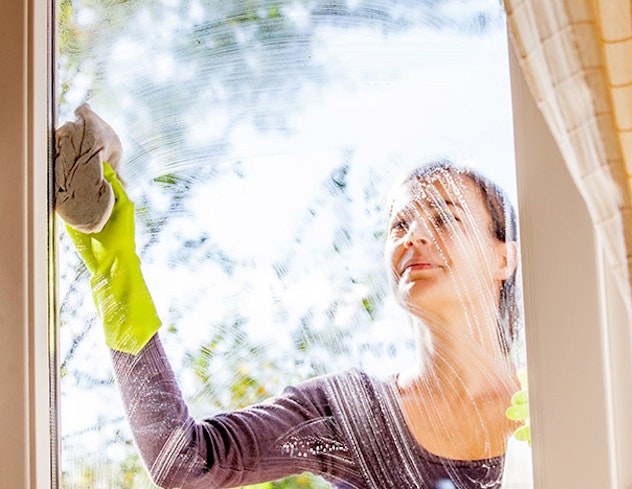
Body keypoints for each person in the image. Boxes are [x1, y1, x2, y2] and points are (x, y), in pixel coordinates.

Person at [64, 158, 523, 489]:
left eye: (445, 217)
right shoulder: (351, 414)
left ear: (504, 257)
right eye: (399, 223)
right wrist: (114, 269)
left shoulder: (555, 405)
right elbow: (185, 462)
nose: (413, 236)